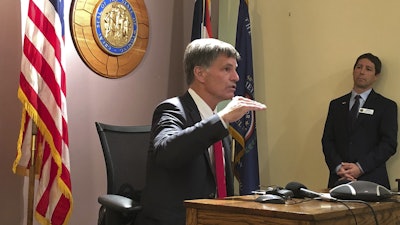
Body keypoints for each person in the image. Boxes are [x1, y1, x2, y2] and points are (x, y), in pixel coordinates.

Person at [136, 38, 266, 225]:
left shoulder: (218, 121)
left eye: (235, 69)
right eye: (226, 69)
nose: (236, 77)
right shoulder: (172, 109)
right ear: (200, 73)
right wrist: (221, 119)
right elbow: (167, 153)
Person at [322, 53, 398, 189]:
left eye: (368, 69)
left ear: (376, 76)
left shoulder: (386, 106)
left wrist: (360, 167)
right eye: (358, 67)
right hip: (339, 179)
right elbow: (327, 140)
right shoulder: (337, 105)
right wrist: (338, 167)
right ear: (353, 71)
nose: (362, 72)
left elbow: (389, 144)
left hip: (372, 180)